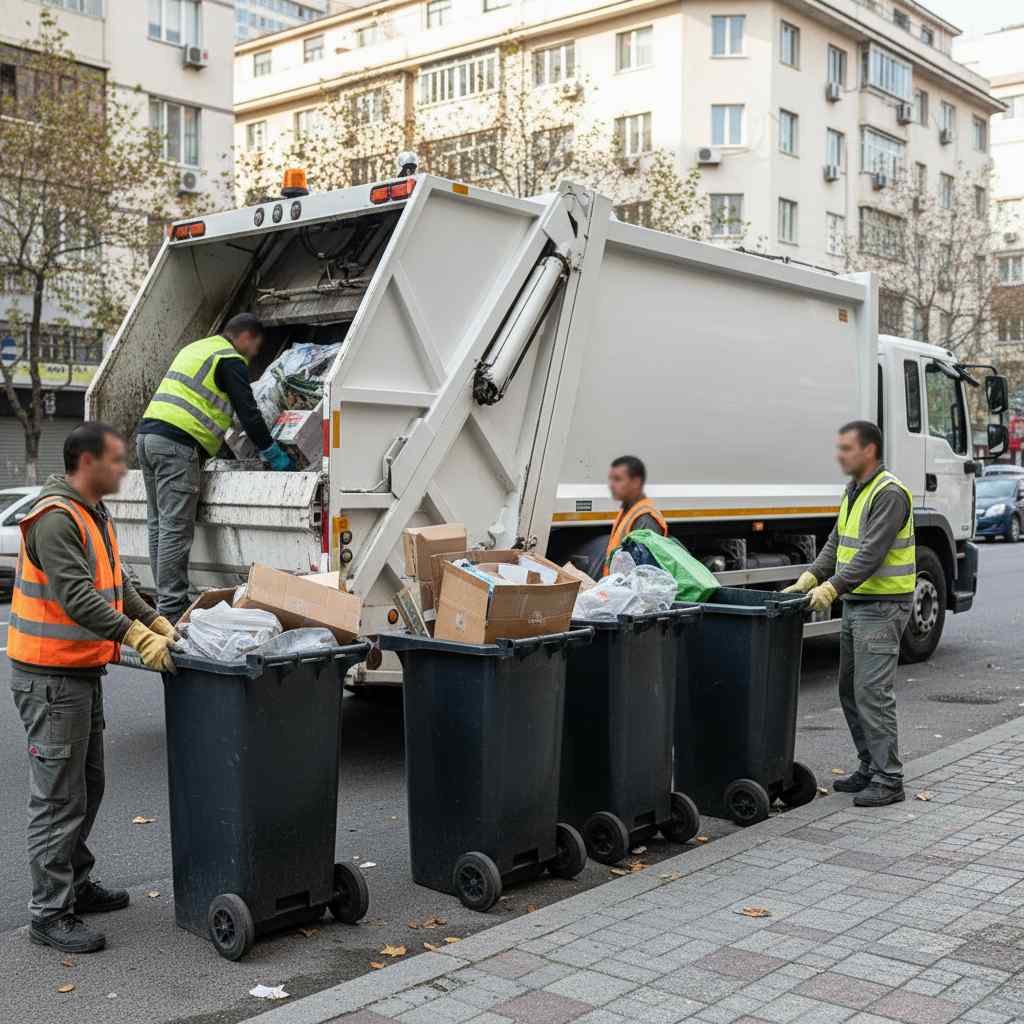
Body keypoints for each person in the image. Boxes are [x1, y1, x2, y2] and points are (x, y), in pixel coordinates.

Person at [8, 423, 177, 954]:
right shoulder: (55, 519)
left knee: (89, 785)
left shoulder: (92, 513)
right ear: (86, 462)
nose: (124, 470)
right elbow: (79, 598)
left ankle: (75, 884)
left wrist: (159, 622)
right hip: (51, 677)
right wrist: (135, 638)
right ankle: (50, 912)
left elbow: (116, 586)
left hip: (79, 672)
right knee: (59, 798)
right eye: (116, 461)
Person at [785, 420, 915, 807]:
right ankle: (870, 766)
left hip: (883, 606)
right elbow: (837, 542)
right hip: (859, 604)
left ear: (869, 451)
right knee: (850, 691)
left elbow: (870, 554)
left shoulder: (889, 493)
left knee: (872, 693)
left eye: (846, 448)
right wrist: (808, 578)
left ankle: (890, 779)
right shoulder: (855, 489)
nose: (839, 455)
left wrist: (831, 588)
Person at [136, 313, 292, 622]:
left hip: (147, 439)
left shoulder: (197, 348)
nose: (256, 353)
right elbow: (248, 413)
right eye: (257, 345)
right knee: (175, 530)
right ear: (246, 336)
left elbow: (206, 403)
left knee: (159, 525)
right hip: (176, 445)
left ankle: (162, 603)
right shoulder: (229, 359)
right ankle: (170, 610)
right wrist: (273, 453)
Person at [604, 455, 668, 575]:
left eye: (617, 479)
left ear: (636, 482)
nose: (611, 485)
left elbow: (644, 570)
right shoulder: (628, 510)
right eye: (611, 479)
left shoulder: (645, 518)